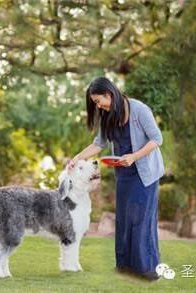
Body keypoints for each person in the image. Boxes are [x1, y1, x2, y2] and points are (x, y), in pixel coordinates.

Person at [68, 77, 165, 281]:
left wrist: (134, 156)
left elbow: (157, 139)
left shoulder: (139, 110)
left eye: (98, 101)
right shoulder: (108, 116)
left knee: (141, 219)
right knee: (124, 219)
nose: (98, 106)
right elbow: (98, 144)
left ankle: (147, 269)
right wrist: (77, 158)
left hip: (144, 172)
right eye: (95, 103)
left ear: (109, 94)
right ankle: (125, 265)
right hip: (123, 173)